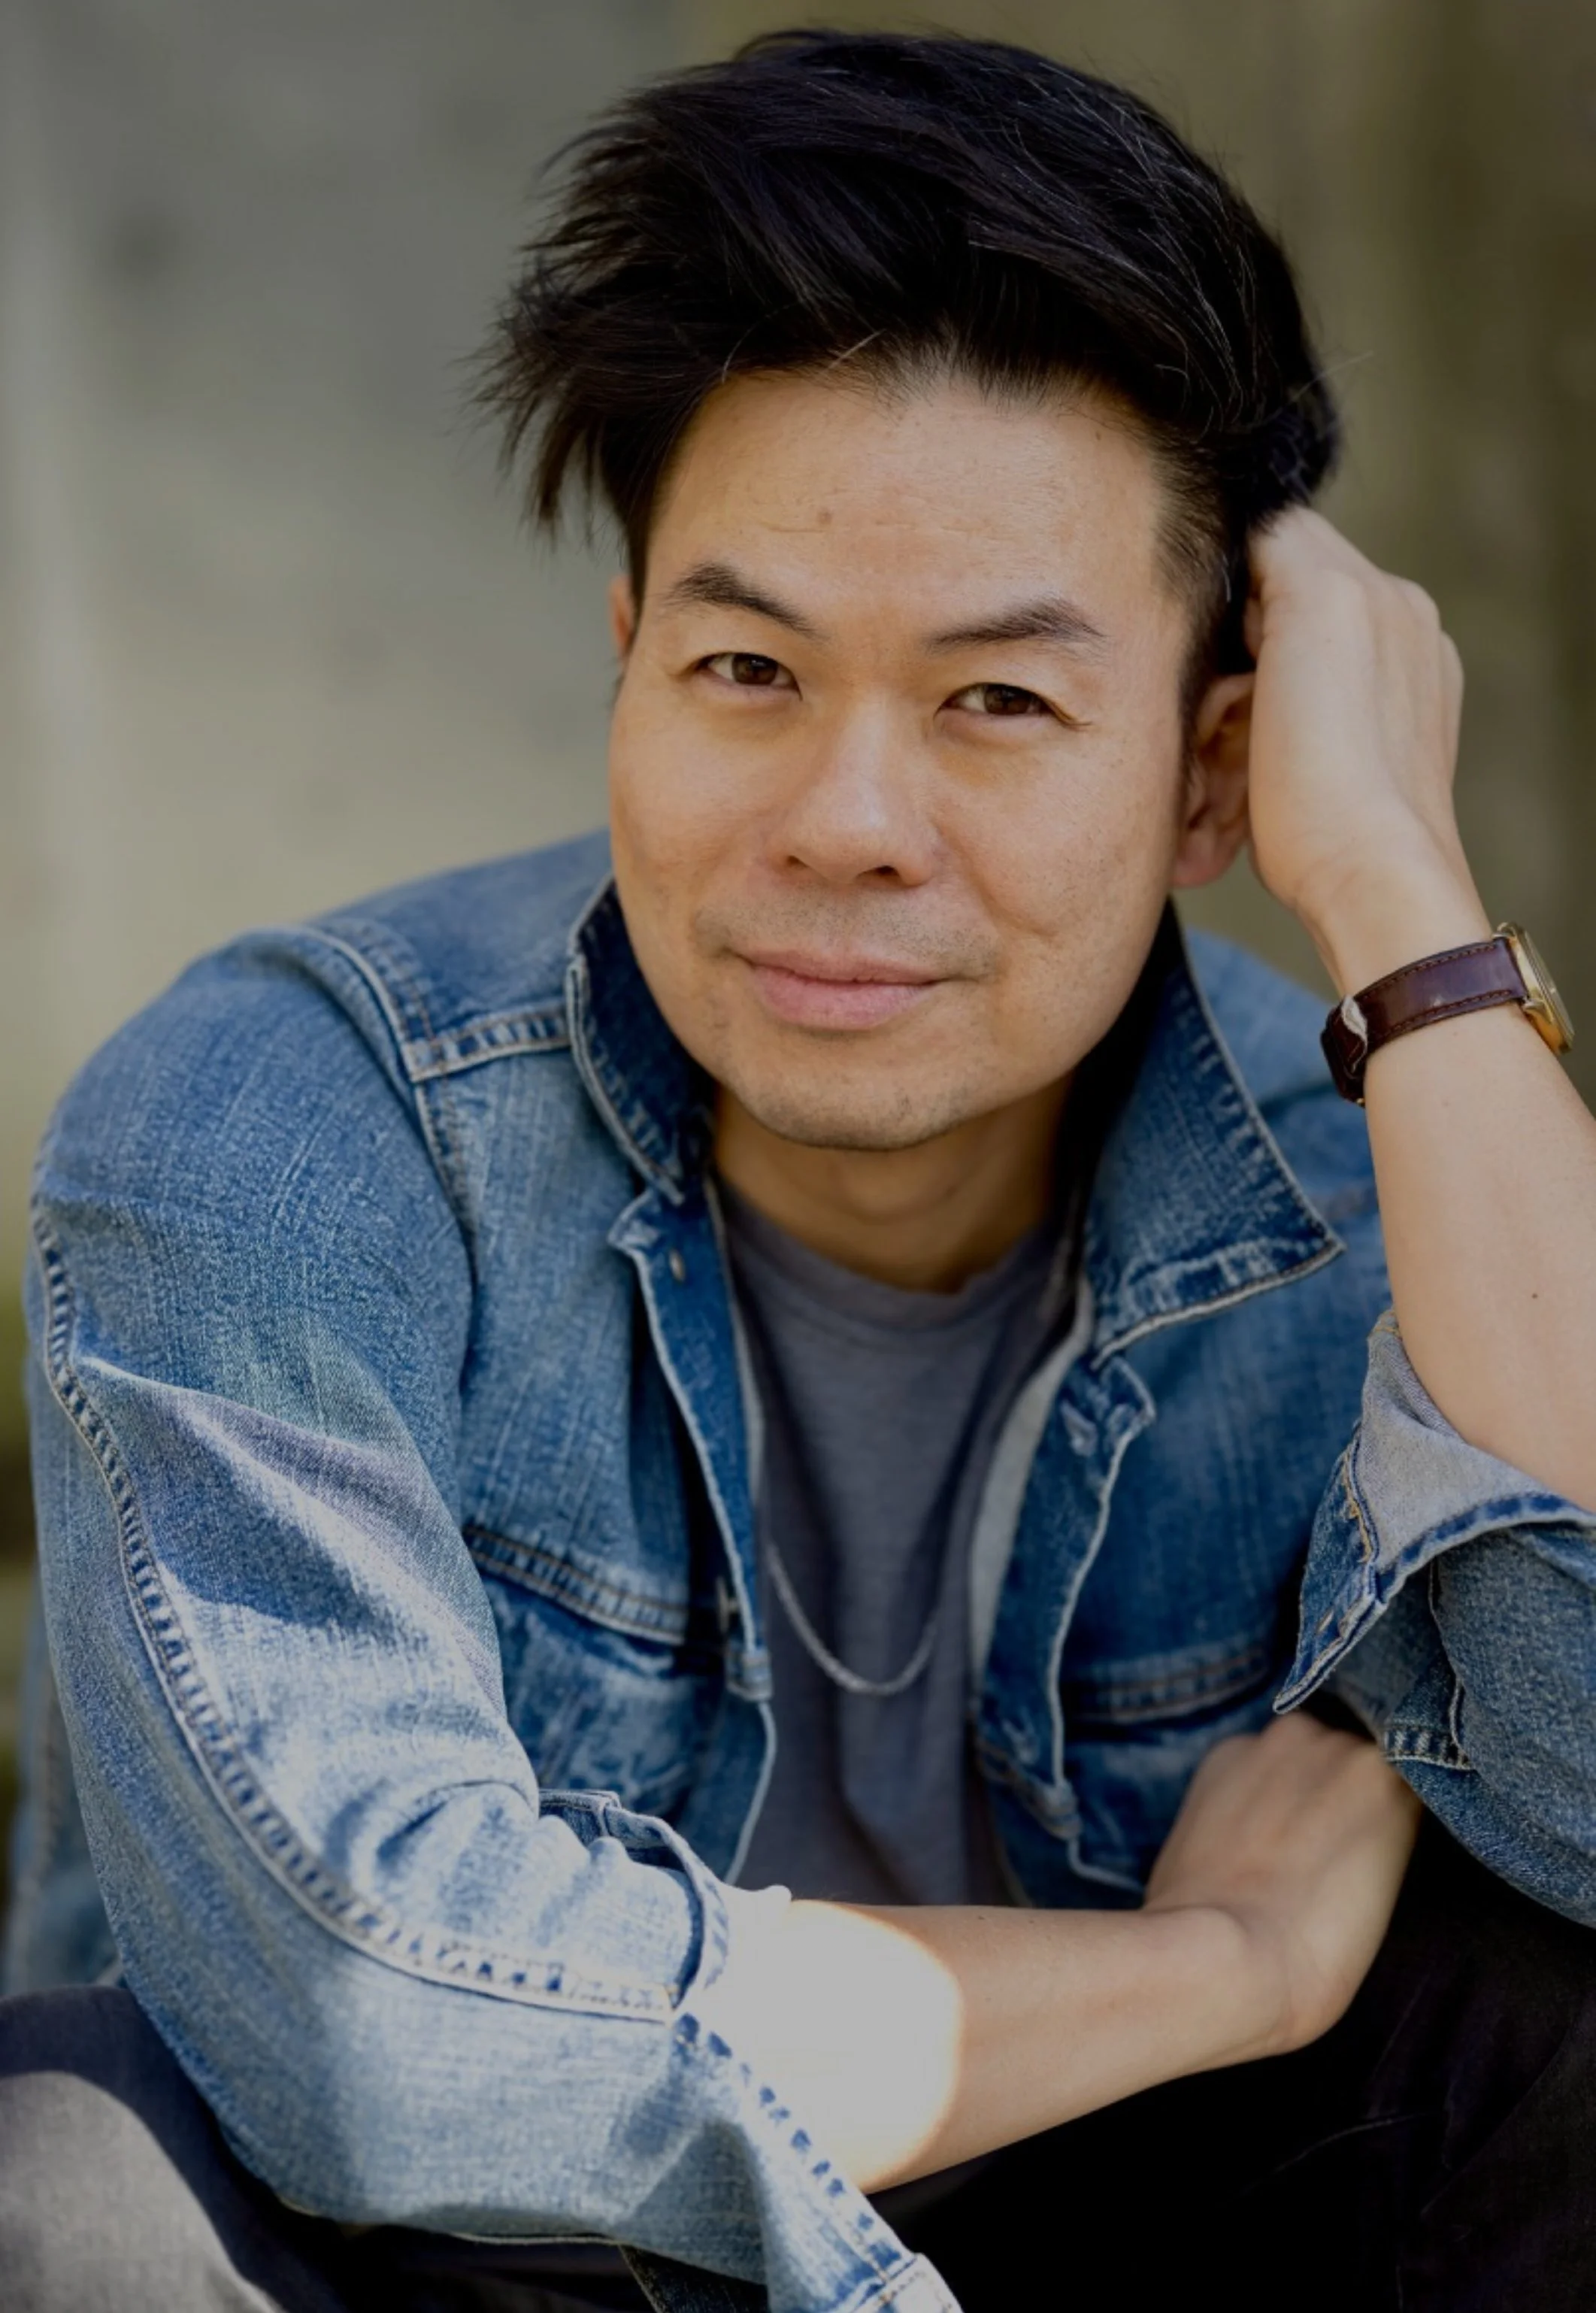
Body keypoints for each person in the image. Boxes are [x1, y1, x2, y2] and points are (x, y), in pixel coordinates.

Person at [2, 28, 1593, 2313]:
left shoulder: (1364, 1195)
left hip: (1118, 2226)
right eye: (748, 665)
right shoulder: (279, 1125)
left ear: (1214, 762)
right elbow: (371, 2032)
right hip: (454, 2264)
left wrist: (1413, 921)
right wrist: (1228, 1966)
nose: (846, 817)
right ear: (628, 656)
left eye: (999, 700)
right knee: (59, 2180)